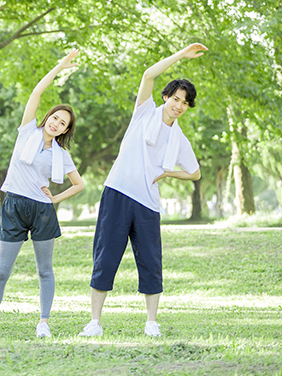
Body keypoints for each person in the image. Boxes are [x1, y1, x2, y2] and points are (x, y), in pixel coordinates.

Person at [79, 43, 206, 338]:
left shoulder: (180, 139)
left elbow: (196, 173)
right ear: (166, 97)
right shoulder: (145, 112)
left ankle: (151, 322)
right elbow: (149, 74)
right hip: (118, 193)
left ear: (187, 107)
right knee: (105, 256)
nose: (178, 105)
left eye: (184, 103)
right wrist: (181, 55)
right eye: (175, 99)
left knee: (150, 262)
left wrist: (168, 171)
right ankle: (95, 322)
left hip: (148, 203)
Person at [0, 49, 86, 340]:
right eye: (55, 118)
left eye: (63, 123)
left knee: (45, 271)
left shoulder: (60, 155)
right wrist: (60, 65)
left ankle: (44, 323)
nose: (56, 123)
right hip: (13, 205)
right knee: (1, 270)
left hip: (42, 211)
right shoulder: (27, 132)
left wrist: (55, 199)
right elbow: (37, 90)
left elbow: (79, 184)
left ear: (65, 130)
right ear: (48, 116)